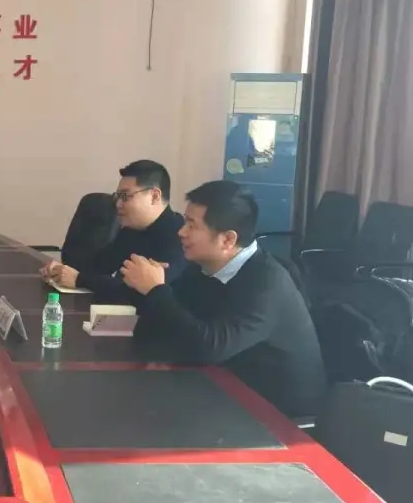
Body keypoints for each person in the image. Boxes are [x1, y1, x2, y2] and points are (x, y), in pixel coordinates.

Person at [124, 180, 326, 417]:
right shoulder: (202, 267)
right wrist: (148, 289)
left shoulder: (266, 282)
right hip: (223, 389)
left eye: (191, 225)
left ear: (228, 240)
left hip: (277, 415)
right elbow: (155, 332)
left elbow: (209, 348)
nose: (181, 232)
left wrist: (156, 290)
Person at [42, 160, 186, 304]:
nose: (118, 204)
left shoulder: (179, 237)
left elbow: (136, 292)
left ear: (154, 196)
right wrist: (60, 271)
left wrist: (79, 279)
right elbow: (99, 266)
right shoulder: (131, 230)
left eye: (125, 196)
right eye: (118, 196)